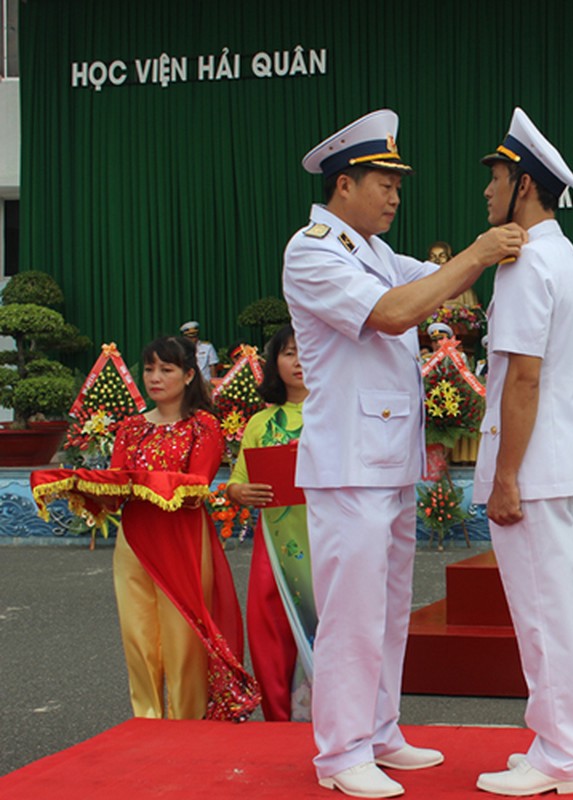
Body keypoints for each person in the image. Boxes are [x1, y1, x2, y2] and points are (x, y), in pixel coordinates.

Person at [282, 109, 524, 799]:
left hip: (387, 459)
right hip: (349, 461)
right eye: (382, 181)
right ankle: (340, 753)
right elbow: (393, 313)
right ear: (343, 184)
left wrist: (503, 249)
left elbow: (440, 282)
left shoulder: (373, 251)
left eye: (397, 183)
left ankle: (380, 731)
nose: (394, 195)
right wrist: (478, 253)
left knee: (387, 609)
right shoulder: (315, 249)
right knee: (351, 615)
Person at [473, 107, 573, 797]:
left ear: (523, 185)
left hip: (533, 470)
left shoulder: (526, 262)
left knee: (544, 610)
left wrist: (505, 478)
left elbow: (523, 377)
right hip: (560, 463)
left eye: (496, 178)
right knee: (562, 605)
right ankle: (568, 746)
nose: (487, 191)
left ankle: (561, 757)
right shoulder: (567, 259)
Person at [109, 336, 257, 721]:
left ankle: (187, 726)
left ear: (190, 375)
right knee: (137, 636)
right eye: (149, 369)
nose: (155, 378)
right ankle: (146, 721)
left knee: (184, 639)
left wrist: (140, 482)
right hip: (134, 541)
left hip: (184, 539)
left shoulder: (203, 426)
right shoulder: (129, 428)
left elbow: (197, 483)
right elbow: (114, 483)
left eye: (166, 369)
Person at [226, 324, 315, 722]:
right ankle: (279, 721)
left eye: (307, 351)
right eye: (289, 353)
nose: (299, 362)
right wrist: (238, 493)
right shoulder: (262, 422)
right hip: (276, 543)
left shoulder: (339, 413)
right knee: (270, 630)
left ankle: (335, 720)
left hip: (329, 538)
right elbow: (237, 481)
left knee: (331, 626)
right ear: (274, 362)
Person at [431, 241, 481, 309]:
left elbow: (474, 313)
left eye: (442, 256)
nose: (437, 260)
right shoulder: (423, 289)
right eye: (433, 256)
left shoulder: (464, 290)